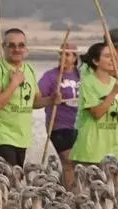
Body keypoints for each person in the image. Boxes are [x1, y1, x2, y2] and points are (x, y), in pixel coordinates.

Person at [0, 28, 44, 166]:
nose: (16, 49)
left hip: (22, 137)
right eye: (11, 45)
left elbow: (35, 102)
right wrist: (14, 83)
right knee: (8, 181)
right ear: (3, 48)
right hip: (1, 136)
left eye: (21, 45)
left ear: (26, 49)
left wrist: (52, 99)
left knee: (17, 180)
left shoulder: (29, 70)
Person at [71, 42, 118, 168]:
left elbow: (114, 116)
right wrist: (113, 92)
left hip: (114, 144)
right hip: (92, 148)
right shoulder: (87, 82)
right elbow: (97, 113)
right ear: (96, 61)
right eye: (108, 56)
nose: (113, 59)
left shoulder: (117, 82)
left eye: (114, 55)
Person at [38, 43, 81, 185]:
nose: (63, 58)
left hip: (79, 124)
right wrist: (51, 99)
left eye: (67, 54)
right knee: (68, 160)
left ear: (75, 57)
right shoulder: (51, 76)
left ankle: (75, 190)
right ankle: (69, 194)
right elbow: (37, 98)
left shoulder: (82, 75)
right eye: (61, 54)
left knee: (79, 163)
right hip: (59, 125)